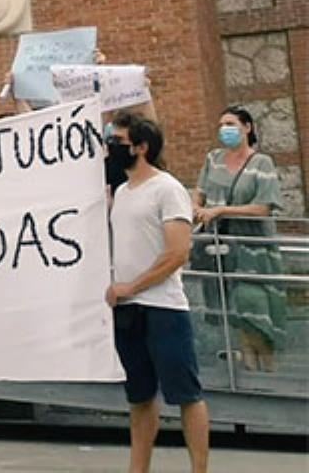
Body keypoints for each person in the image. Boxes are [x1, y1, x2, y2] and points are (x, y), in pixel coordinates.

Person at [104, 114, 208, 473]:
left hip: (163, 308)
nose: (111, 147)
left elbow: (177, 252)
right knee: (139, 396)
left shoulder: (167, 188)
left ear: (141, 146)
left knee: (186, 394)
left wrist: (133, 285)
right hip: (128, 309)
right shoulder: (121, 193)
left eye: (118, 140)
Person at [193, 106, 285, 371]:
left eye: (231, 124)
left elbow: (264, 207)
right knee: (232, 307)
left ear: (247, 127)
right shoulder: (213, 159)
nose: (225, 130)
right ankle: (249, 366)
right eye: (222, 125)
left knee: (254, 304)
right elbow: (199, 193)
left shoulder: (262, 163)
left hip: (253, 249)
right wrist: (197, 208)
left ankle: (266, 367)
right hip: (219, 247)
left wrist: (222, 210)